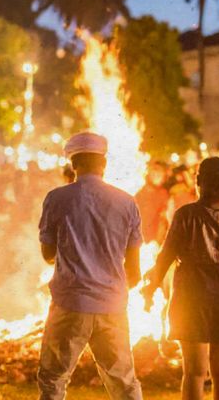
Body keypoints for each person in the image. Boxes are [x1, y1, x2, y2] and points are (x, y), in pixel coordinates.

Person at [37, 132, 143, 400]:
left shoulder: (56, 198)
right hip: (112, 305)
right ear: (104, 164)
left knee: (53, 380)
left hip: (70, 303)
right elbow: (135, 272)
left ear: (73, 164)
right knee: (125, 384)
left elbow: (48, 253)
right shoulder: (127, 202)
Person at [143, 157, 219, 400]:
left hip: (193, 292)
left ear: (198, 181)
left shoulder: (186, 214)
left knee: (193, 372)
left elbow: (166, 255)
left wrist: (150, 289)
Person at [135, 161, 170, 244]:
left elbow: (163, 222)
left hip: (150, 245)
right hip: (133, 242)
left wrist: (156, 243)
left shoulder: (163, 195)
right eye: (154, 171)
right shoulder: (136, 191)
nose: (157, 175)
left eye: (160, 173)